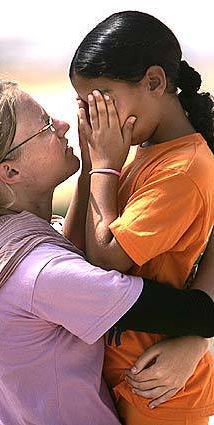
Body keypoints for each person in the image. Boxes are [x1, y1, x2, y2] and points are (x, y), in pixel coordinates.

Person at [0, 79, 214, 425]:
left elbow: (73, 246)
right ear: (10, 171)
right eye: (47, 126)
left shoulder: (1, 244)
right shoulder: (45, 274)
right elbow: (199, 313)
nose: (64, 125)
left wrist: (90, 168)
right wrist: (105, 168)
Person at [69, 10, 214, 425]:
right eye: (85, 105)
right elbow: (77, 251)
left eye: (102, 99)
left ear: (154, 82)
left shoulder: (182, 168)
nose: (97, 119)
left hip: (158, 388)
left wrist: (104, 168)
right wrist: (89, 167)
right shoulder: (141, 154)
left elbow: (106, 260)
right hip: (124, 373)